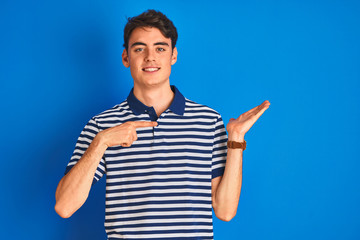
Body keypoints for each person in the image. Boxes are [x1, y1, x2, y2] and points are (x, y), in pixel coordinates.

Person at [55, 9, 270, 240]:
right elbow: (65, 206)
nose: (150, 57)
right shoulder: (102, 124)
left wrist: (236, 138)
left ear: (173, 55)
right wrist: (101, 142)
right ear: (126, 57)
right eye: (139, 48)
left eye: (160, 48)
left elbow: (225, 211)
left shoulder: (209, 121)